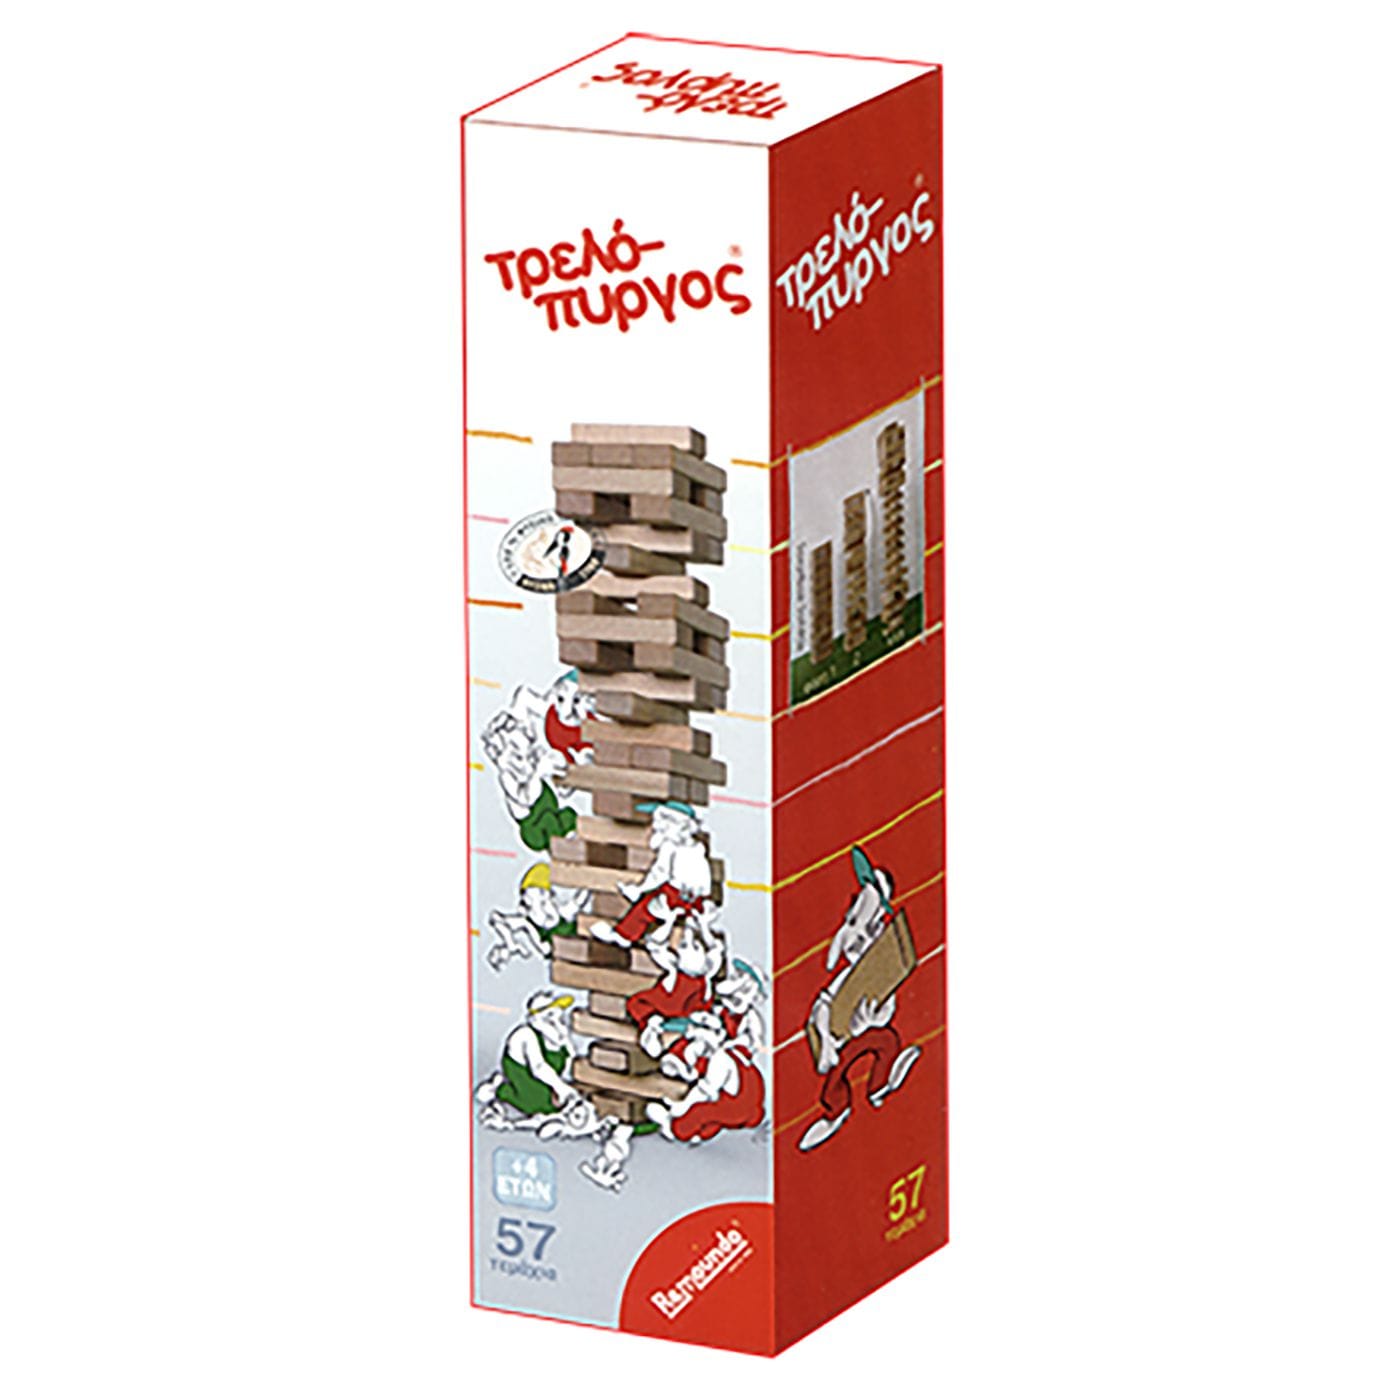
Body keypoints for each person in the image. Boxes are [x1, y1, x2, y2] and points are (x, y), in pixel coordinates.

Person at [797, 846, 921, 1152]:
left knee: (886, 1040)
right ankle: (836, 1110)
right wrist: (826, 1041)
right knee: (835, 1074)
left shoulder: (877, 973)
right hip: (837, 1039)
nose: (855, 938)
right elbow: (823, 1003)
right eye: (853, 923)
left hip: (858, 1033)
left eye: (868, 930)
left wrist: (870, 1021)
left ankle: (880, 1084)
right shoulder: (846, 975)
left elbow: (885, 1010)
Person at [591, 800, 711, 947]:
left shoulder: (670, 847)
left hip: (676, 896)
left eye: (661, 821)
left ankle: (624, 936)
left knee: (644, 908)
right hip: (695, 899)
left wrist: (640, 889)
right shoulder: (697, 847)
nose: (656, 826)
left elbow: (659, 874)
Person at [645, 1011, 766, 1143]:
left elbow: (704, 1091)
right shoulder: (737, 1055)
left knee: (699, 1114)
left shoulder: (720, 1058)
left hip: (738, 1107)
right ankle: (699, 1134)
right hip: (750, 1101)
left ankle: (672, 1127)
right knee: (713, 1116)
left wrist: (680, 1108)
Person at [476, 991, 581, 1127]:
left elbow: (571, 1058)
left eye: (559, 1015)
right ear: (537, 1018)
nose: (557, 1020)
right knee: (540, 1105)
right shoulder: (525, 1035)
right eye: (550, 1015)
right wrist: (561, 1088)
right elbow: (538, 1067)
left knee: (558, 1102)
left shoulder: (559, 1036)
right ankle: (500, 1088)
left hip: (548, 1079)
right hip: (524, 1075)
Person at [485, 863, 590, 971]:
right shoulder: (529, 925)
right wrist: (510, 943)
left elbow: (578, 901)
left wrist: (588, 881)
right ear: (527, 903)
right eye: (540, 901)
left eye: (546, 898)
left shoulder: (563, 914)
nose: (546, 907)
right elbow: (496, 919)